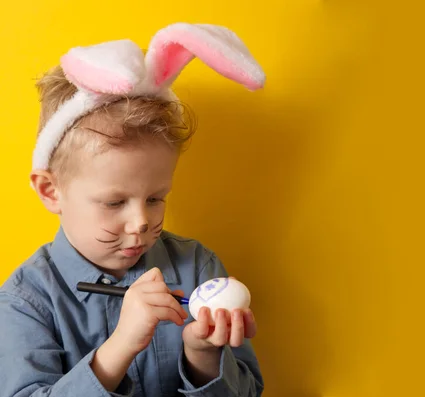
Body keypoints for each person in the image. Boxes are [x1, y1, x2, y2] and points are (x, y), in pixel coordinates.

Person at [0, 22, 266, 397]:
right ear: (50, 191)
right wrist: (120, 345)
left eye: (155, 198)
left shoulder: (198, 268)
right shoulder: (26, 301)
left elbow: (250, 391)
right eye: (114, 202)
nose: (142, 222)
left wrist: (203, 354)